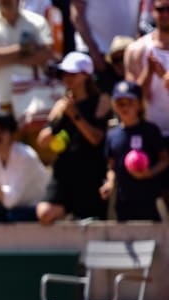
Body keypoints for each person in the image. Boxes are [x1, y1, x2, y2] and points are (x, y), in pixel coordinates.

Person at [35, 52, 110, 224]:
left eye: (73, 73)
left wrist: (74, 115)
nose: (67, 78)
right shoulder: (60, 105)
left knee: (91, 222)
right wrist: (60, 118)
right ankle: (68, 213)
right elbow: (43, 141)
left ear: (86, 75)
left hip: (90, 169)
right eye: (65, 73)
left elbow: (95, 139)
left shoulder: (101, 101)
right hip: (64, 170)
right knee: (44, 213)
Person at [100, 80, 169, 221]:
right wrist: (109, 183)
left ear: (139, 104)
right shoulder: (112, 135)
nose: (125, 108)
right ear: (114, 105)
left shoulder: (150, 131)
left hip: (150, 199)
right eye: (120, 103)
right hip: (123, 200)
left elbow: (164, 159)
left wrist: (149, 172)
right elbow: (112, 166)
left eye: (130, 102)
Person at [125, 0, 169, 209]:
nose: (165, 14)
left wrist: (164, 75)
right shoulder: (137, 50)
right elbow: (131, 99)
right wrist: (149, 73)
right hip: (148, 134)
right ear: (152, 11)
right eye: (161, 8)